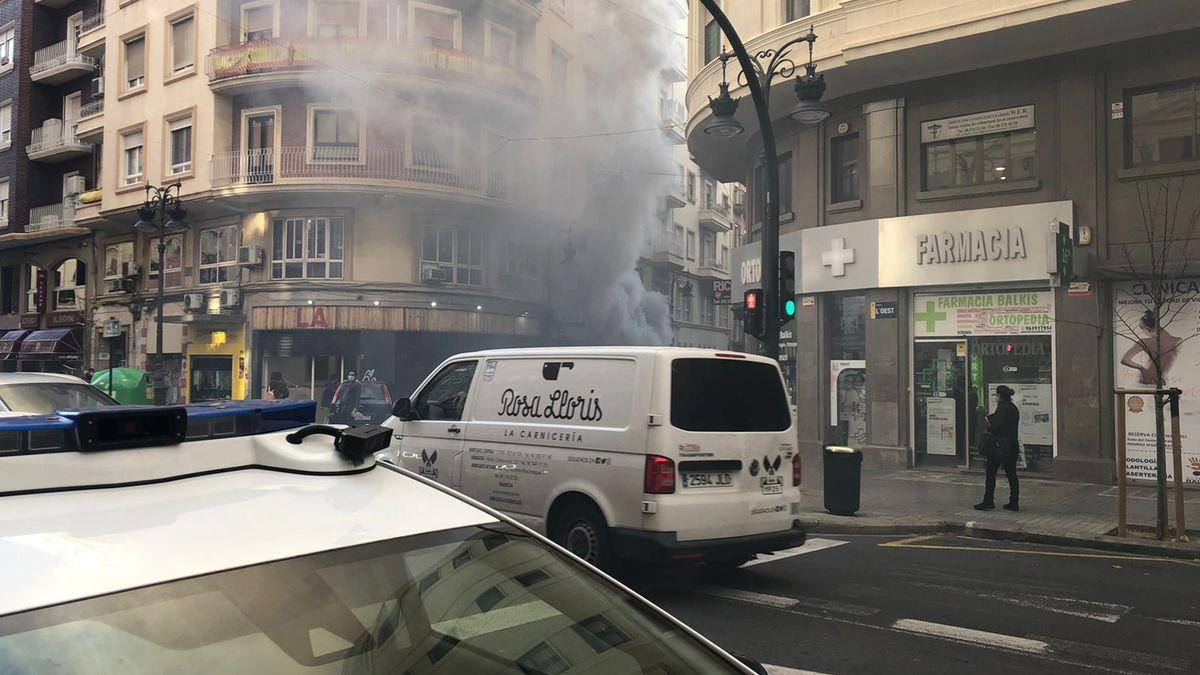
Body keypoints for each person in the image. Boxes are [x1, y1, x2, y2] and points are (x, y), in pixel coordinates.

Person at [976, 385, 1020, 512]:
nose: (996, 397)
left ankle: (988, 500)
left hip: (1000, 446)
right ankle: (1014, 501)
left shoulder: (1002, 409)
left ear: (1000, 396)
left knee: (991, 473)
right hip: (1012, 445)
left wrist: (989, 427)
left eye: (997, 395)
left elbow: (998, 427)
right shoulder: (1013, 408)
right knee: (1012, 474)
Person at [1120, 310, 1181, 385]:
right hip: (1163, 380)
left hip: (1148, 379)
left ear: (1147, 329)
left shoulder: (1146, 342)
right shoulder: (1177, 341)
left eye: (1143, 331)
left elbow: (1125, 360)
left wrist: (1141, 368)